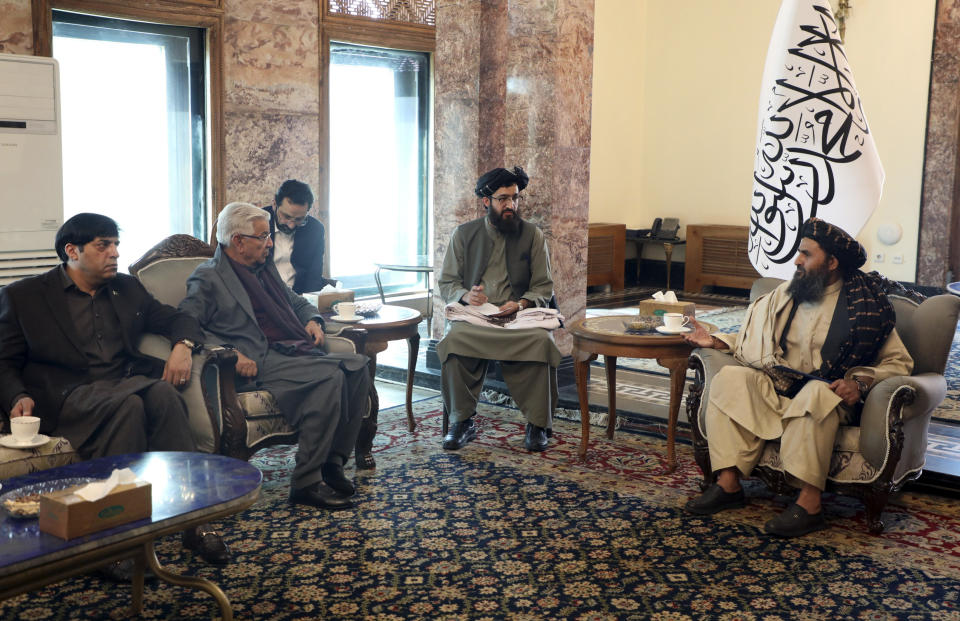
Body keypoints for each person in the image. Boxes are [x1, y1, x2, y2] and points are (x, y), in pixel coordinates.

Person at [0, 212, 229, 565]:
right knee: (131, 406)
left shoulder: (127, 288)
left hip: (123, 384)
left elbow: (178, 318)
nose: (115, 253)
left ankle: (195, 522)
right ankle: (115, 544)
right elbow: (4, 359)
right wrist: (17, 395)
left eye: (116, 245)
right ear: (72, 251)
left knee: (162, 394)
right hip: (67, 397)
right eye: (103, 245)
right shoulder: (24, 296)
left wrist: (183, 345)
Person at [682, 217, 913, 537]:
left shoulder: (866, 306)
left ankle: (809, 504)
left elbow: (899, 361)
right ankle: (729, 485)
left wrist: (859, 384)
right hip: (778, 385)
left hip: (829, 393)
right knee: (731, 379)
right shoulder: (789, 294)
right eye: (798, 252)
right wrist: (718, 342)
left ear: (832, 262)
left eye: (806, 254)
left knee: (816, 395)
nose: (797, 260)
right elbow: (756, 340)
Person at [179, 202, 370, 510]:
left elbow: (293, 301)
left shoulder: (263, 266)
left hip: (290, 348)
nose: (270, 243)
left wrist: (313, 319)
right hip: (257, 359)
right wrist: (231, 353)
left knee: (358, 366)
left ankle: (332, 463)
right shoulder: (209, 277)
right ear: (238, 241)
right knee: (329, 377)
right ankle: (306, 483)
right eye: (263, 236)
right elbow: (188, 320)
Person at [437, 166, 559, 452]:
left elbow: (544, 286)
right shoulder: (463, 234)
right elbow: (447, 282)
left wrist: (521, 302)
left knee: (541, 341)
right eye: (503, 199)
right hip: (476, 318)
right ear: (485, 201)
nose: (510, 205)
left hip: (517, 316)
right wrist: (467, 295)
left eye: (515, 198)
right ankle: (462, 422)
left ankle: (537, 425)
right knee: (453, 340)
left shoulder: (532, 235)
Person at [264, 179, 331, 294]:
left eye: (299, 219)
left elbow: (313, 276)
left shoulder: (315, 230)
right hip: (263, 296)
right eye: (286, 216)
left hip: (298, 297)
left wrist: (309, 305)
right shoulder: (257, 223)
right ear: (275, 204)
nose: (291, 225)